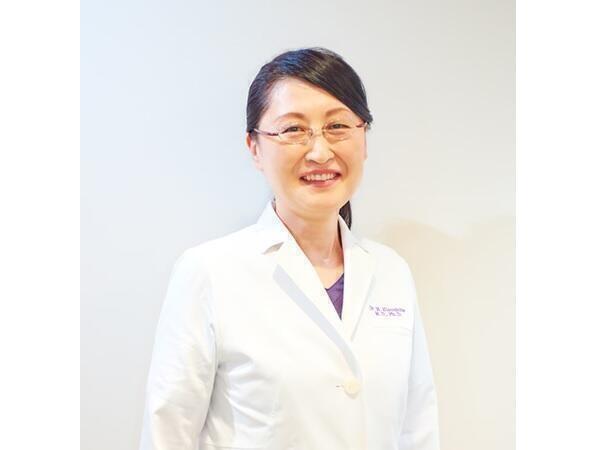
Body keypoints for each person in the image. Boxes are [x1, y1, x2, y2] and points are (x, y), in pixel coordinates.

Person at [139, 47, 440, 450]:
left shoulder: (392, 272)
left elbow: (417, 428)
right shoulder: (209, 271)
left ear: (364, 139)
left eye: (338, 126)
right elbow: (168, 434)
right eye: (294, 129)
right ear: (254, 147)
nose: (320, 151)